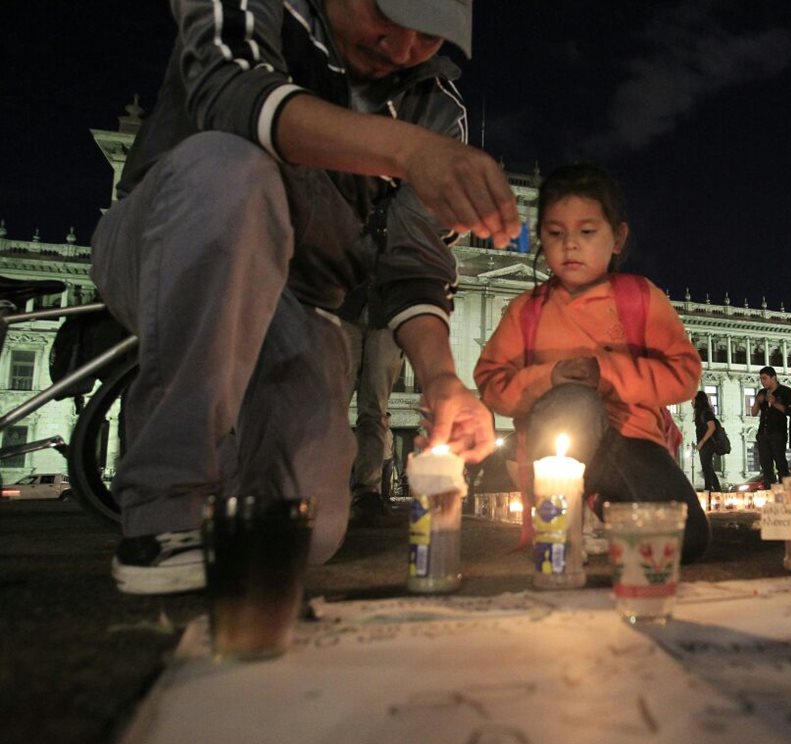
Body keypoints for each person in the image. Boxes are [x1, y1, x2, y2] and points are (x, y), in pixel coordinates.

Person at [90, 0, 521, 595]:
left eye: (429, 35)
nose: (401, 48)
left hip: (304, 299)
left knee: (304, 530)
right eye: (387, 15)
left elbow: (414, 260)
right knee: (233, 168)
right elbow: (233, 94)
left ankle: (227, 495)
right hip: (178, 238)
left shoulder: (436, 108)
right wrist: (407, 151)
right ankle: (169, 508)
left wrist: (442, 378)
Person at [474, 164, 709, 563]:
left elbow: (685, 376)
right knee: (572, 402)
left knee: (684, 540)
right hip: (559, 447)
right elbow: (491, 381)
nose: (570, 246)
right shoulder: (525, 311)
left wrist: (607, 372)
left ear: (617, 237)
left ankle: (602, 508)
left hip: (631, 443)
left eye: (586, 232)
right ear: (539, 239)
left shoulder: (640, 299)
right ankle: (568, 514)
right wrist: (550, 377)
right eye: (554, 233)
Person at [339, 286, 406, 524]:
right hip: (346, 306)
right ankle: (328, 483)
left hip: (386, 313)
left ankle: (367, 491)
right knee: (334, 407)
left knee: (375, 409)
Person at [751, 367, 791, 486]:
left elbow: (788, 411)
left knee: (780, 462)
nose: (762, 382)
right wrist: (757, 402)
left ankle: (785, 488)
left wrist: (774, 402)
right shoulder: (762, 393)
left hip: (778, 432)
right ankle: (769, 489)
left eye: (764, 378)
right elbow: (753, 413)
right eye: (761, 379)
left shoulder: (785, 391)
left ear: (773, 377)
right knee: (765, 464)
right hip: (763, 432)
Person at [692, 391, 723, 492]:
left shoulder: (705, 412)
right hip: (705, 444)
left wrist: (702, 442)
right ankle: (717, 491)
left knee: (706, 468)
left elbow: (712, 427)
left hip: (708, 444)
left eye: (693, 399)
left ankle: (708, 490)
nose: (691, 402)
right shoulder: (701, 413)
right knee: (708, 468)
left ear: (698, 401)